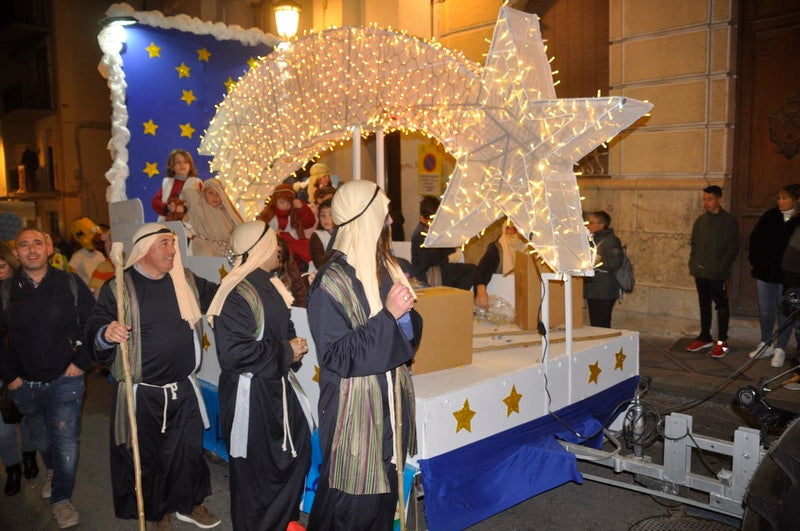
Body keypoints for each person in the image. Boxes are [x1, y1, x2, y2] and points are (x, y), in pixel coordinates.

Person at [86, 223, 221, 529]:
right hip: (143, 394)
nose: (173, 250)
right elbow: (95, 326)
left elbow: (220, 297)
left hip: (184, 388)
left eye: (173, 243)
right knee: (149, 459)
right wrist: (106, 333)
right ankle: (157, 513)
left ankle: (189, 504)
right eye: (165, 243)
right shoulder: (119, 287)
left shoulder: (185, 281)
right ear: (143, 249)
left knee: (188, 452)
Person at [306, 180, 422, 530]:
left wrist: (402, 317)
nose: (389, 224)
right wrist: (389, 317)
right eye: (382, 216)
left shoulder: (385, 266)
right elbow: (337, 356)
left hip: (388, 409)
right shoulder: (330, 281)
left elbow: (409, 333)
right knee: (353, 509)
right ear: (365, 218)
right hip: (354, 416)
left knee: (380, 507)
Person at [207, 221, 311, 531]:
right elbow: (234, 354)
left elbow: (284, 328)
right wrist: (285, 351)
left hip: (277, 387)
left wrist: (293, 349)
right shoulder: (237, 292)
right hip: (250, 396)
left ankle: (283, 523)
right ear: (261, 247)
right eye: (274, 242)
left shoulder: (271, 283)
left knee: (294, 455)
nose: (279, 248)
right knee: (257, 475)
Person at [0, 228, 94, 528]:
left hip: (67, 379)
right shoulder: (5, 291)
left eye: (37, 243)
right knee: (41, 438)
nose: (31, 250)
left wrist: (80, 362)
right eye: (23, 245)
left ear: (49, 248)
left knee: (65, 440)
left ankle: (62, 500)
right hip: (24, 384)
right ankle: (52, 471)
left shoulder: (69, 283)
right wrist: (10, 377)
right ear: (16, 253)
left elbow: (91, 324)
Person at [0, 242, 40, 497]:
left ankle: (29, 457)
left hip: (20, 364)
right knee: (1, 427)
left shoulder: (20, 291)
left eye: (2, 266)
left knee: (26, 416)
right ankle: (12, 468)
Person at [747, 185, 800, 367]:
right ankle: (766, 343)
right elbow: (755, 239)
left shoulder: (797, 221)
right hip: (765, 273)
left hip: (788, 278)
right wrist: (756, 260)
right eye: (779, 198)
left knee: (785, 312)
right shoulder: (770, 216)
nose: (779, 201)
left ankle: (781, 348)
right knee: (765, 308)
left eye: (784, 198)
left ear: (795, 200)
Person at [686, 185, 740, 358]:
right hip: (700, 272)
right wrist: (694, 264)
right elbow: (693, 243)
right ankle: (704, 337)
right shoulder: (700, 221)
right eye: (704, 199)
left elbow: (733, 248)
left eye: (709, 199)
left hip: (718, 273)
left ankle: (722, 342)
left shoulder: (729, 221)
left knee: (722, 306)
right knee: (704, 305)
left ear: (719, 199)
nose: (706, 202)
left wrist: (721, 267)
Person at [410, 196, 476, 290]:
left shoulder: (429, 230)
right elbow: (429, 261)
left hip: (436, 270)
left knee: (471, 270)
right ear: (422, 219)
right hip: (427, 275)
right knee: (471, 270)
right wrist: (451, 248)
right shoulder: (419, 235)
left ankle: (454, 299)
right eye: (432, 220)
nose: (435, 223)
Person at [180, 177, 243, 257]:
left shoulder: (226, 211)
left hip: (227, 248)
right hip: (206, 246)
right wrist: (196, 183)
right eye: (210, 193)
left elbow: (237, 229)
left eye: (218, 194)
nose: (215, 197)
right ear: (203, 194)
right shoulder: (200, 207)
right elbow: (190, 192)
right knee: (205, 255)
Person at [258, 184, 316, 270]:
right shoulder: (268, 214)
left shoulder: (294, 213)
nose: (285, 206)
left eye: (289, 203)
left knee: (307, 247)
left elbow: (309, 223)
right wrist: (271, 232)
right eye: (282, 202)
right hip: (275, 242)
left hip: (295, 240)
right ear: (275, 201)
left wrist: (302, 208)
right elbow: (260, 229)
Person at [473, 220, 527, 309]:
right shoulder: (497, 248)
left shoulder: (528, 248)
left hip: (522, 300)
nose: (510, 232)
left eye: (514, 229)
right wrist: (481, 290)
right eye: (507, 229)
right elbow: (483, 268)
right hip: (501, 301)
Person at [583, 211, 624, 328]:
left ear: (601, 224)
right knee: (596, 324)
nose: (588, 225)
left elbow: (616, 263)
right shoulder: (593, 239)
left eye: (591, 223)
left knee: (601, 324)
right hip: (594, 289)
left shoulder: (611, 240)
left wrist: (597, 262)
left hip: (604, 290)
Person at [151, 149, 197, 221]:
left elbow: (202, 204)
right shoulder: (167, 183)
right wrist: (167, 208)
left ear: (190, 165)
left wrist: (185, 208)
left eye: (185, 162)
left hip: (190, 223)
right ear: (172, 166)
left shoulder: (196, 183)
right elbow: (155, 201)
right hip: (168, 222)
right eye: (178, 162)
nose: (182, 165)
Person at [67, 217, 106, 286]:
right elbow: (71, 273)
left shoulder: (99, 255)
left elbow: (105, 271)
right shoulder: (78, 255)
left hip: (99, 288)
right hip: (85, 290)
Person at [309, 199, 335, 270]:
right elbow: (319, 263)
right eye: (323, 215)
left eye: (331, 215)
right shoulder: (317, 235)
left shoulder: (342, 233)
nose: (326, 219)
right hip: (322, 274)